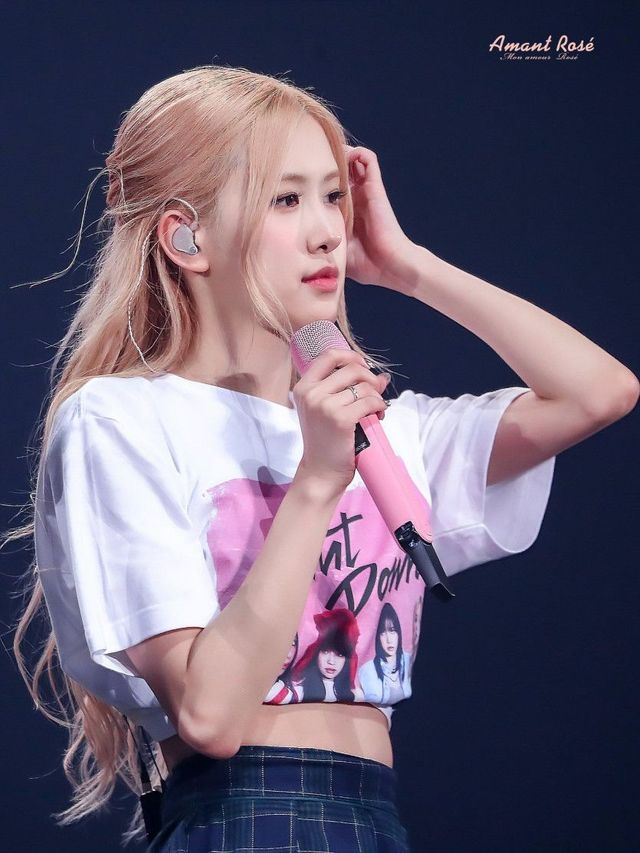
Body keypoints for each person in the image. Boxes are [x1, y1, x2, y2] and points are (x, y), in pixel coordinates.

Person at [6, 64, 638, 852]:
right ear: (185, 237)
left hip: (373, 819)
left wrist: (410, 267)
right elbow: (210, 714)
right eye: (285, 199)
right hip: (246, 817)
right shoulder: (122, 419)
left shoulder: (384, 433)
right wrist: (315, 482)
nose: (326, 230)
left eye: (332, 195)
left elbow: (600, 392)